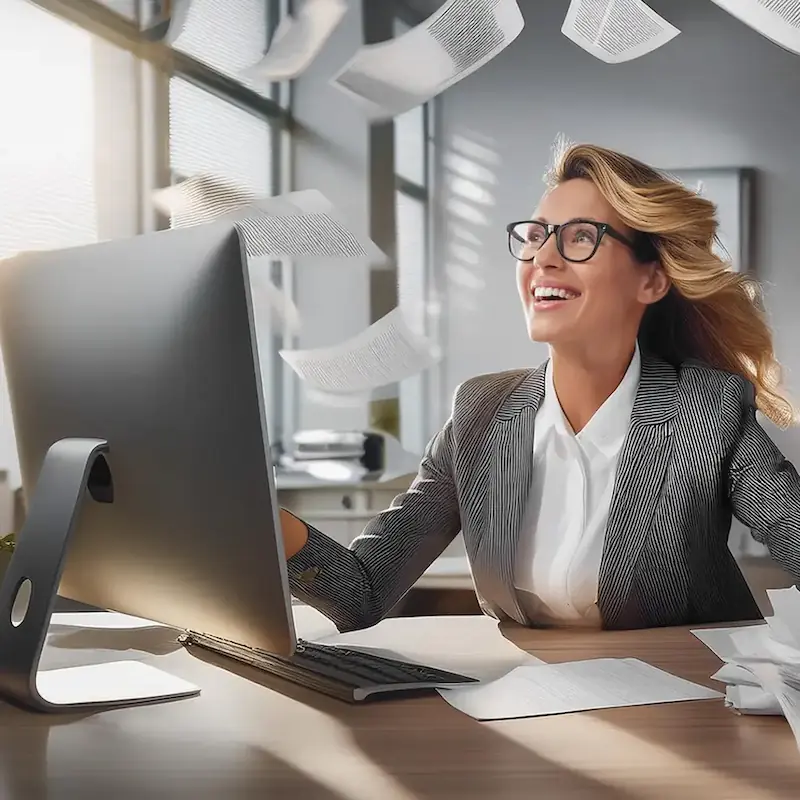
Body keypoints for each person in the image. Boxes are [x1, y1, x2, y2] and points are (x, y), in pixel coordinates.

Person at [280, 142, 800, 633]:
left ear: (652, 281)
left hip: (687, 701)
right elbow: (362, 590)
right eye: (535, 236)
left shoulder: (708, 408)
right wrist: (256, 516)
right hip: (529, 700)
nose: (542, 258)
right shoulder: (480, 413)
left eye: (580, 237)